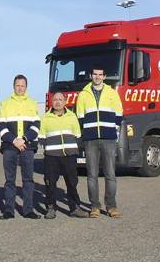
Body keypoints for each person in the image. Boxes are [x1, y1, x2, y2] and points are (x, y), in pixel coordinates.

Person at [75, 66, 124, 218]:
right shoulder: (83, 94)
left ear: (104, 76)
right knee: (92, 175)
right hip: (90, 140)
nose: (97, 77)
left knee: (110, 174)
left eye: (100, 74)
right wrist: (86, 133)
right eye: (95, 74)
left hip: (108, 138)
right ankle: (94, 206)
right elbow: (80, 117)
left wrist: (112, 131)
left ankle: (111, 206)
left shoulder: (112, 93)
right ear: (91, 75)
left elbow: (118, 114)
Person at [0, 74, 40, 220]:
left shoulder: (33, 103)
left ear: (26, 87)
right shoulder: (5, 103)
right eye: (17, 85)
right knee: (10, 180)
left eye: (22, 85)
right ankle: (9, 210)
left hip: (27, 146)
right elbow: (1, 126)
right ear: (13, 86)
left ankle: (28, 210)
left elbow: (36, 126)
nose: (20, 88)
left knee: (28, 180)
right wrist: (14, 140)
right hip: (10, 147)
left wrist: (24, 139)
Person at [40, 92, 87, 219]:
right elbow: (42, 137)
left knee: (72, 183)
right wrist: (50, 148)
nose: (58, 102)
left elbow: (78, 136)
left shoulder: (72, 116)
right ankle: (51, 208)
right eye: (55, 99)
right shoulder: (45, 118)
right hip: (52, 156)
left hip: (69, 156)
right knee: (50, 183)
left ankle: (75, 208)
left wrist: (71, 148)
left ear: (65, 102)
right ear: (51, 102)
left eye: (60, 100)